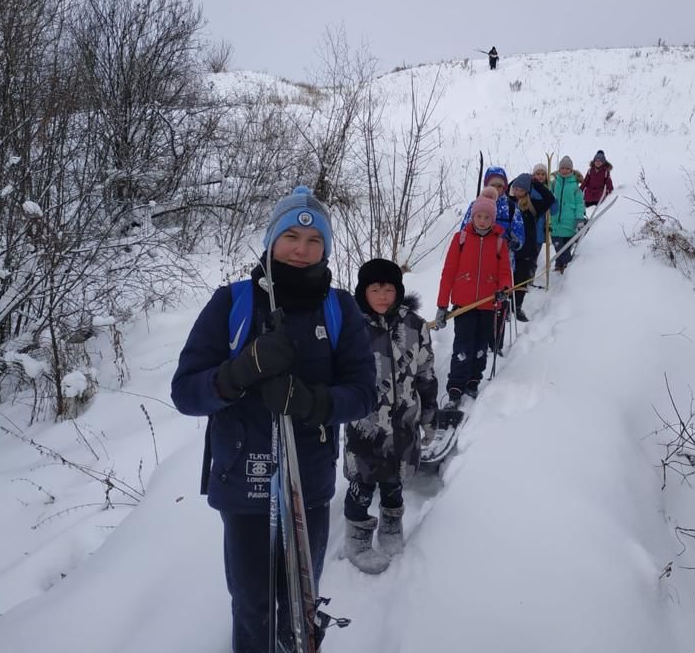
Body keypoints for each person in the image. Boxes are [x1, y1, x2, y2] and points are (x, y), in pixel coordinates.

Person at [170, 185, 376, 653]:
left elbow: (363, 393)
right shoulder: (233, 303)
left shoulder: (340, 308)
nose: (301, 251)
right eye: (290, 237)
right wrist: (240, 372)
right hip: (243, 482)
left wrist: (311, 402)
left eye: (314, 242)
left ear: (325, 248)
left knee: (300, 601)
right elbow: (186, 392)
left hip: (310, 483)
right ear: (270, 240)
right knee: (250, 604)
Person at [343, 258, 438, 574]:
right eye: (375, 288)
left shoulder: (415, 326)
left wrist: (427, 417)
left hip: (403, 426)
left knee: (394, 484)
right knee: (362, 485)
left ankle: (391, 527)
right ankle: (356, 539)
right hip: (365, 427)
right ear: (363, 292)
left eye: (389, 288)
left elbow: (425, 373)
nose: (382, 295)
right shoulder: (351, 327)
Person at [435, 192, 512, 406]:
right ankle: (456, 385)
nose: (483, 221)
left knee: (480, 345)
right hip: (464, 304)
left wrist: (504, 288)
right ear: (473, 216)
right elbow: (448, 272)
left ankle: (473, 381)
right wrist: (442, 305)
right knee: (463, 344)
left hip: (488, 304)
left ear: (493, 219)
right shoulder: (460, 239)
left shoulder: (499, 242)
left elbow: (505, 272)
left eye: (488, 217)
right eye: (479, 216)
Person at [508, 172, 554, 321]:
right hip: (511, 250)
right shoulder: (508, 203)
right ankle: (506, 307)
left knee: (521, 280)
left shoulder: (533, 205)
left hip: (527, 250)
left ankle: (517, 307)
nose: (517, 192)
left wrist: (535, 183)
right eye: (515, 189)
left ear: (527, 190)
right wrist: (515, 180)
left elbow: (550, 199)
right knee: (509, 280)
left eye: (521, 189)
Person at [459, 166, 525, 254]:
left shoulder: (511, 207)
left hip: (503, 258)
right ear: (486, 186)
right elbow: (464, 231)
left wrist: (513, 242)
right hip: (477, 256)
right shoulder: (476, 205)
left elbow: (519, 233)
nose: (496, 189)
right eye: (492, 185)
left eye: (499, 186)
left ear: (504, 187)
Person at [549, 156, 586, 274]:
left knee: (566, 247)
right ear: (559, 169)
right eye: (562, 168)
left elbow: (580, 203)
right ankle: (567, 264)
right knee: (559, 247)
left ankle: (560, 267)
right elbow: (548, 197)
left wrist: (579, 218)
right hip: (556, 223)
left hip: (569, 223)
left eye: (567, 168)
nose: (564, 171)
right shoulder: (554, 183)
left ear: (571, 170)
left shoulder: (575, 186)